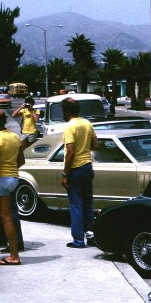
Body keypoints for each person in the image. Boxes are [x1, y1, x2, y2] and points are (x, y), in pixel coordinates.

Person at [0, 109, 25, 265]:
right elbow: (21, 161)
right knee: (8, 216)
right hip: (13, 178)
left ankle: (14, 256)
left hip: (1, 179)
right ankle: (13, 253)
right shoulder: (14, 136)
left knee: (6, 218)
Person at [61, 97, 99, 248]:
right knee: (88, 204)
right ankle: (91, 236)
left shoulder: (70, 127)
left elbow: (70, 152)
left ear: (66, 111)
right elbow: (96, 145)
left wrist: (65, 174)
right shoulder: (87, 123)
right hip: (87, 167)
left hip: (75, 169)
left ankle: (78, 240)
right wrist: (84, 146)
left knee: (76, 205)